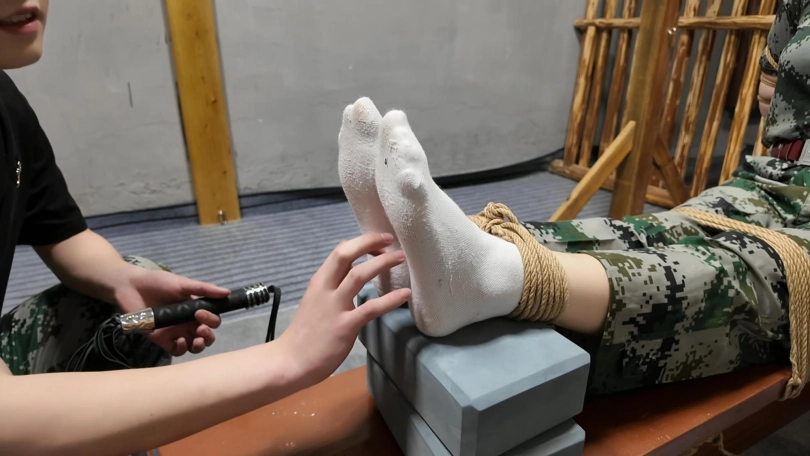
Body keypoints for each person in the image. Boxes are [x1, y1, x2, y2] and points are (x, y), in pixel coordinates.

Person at [337, 0, 808, 398]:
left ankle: (495, 275)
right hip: (779, 174)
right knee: (658, 230)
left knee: (758, 272)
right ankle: (425, 262)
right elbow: (776, 67)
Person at [0, 1, 411, 455]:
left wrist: (122, 280)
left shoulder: (7, 104)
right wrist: (286, 358)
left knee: (128, 285)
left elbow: (61, 233)